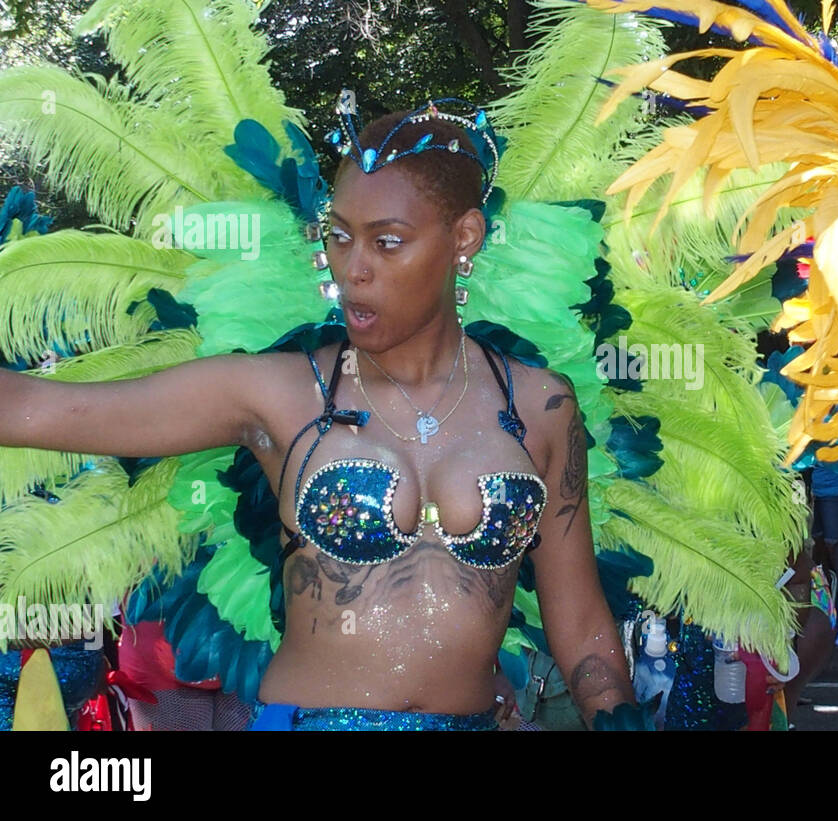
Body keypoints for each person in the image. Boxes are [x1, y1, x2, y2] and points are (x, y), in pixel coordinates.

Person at [0, 104, 635, 730]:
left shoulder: (541, 406)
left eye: (387, 242)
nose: (351, 270)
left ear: (463, 238)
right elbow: (34, 409)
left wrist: (616, 718)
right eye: (338, 236)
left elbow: (578, 621)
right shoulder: (281, 395)